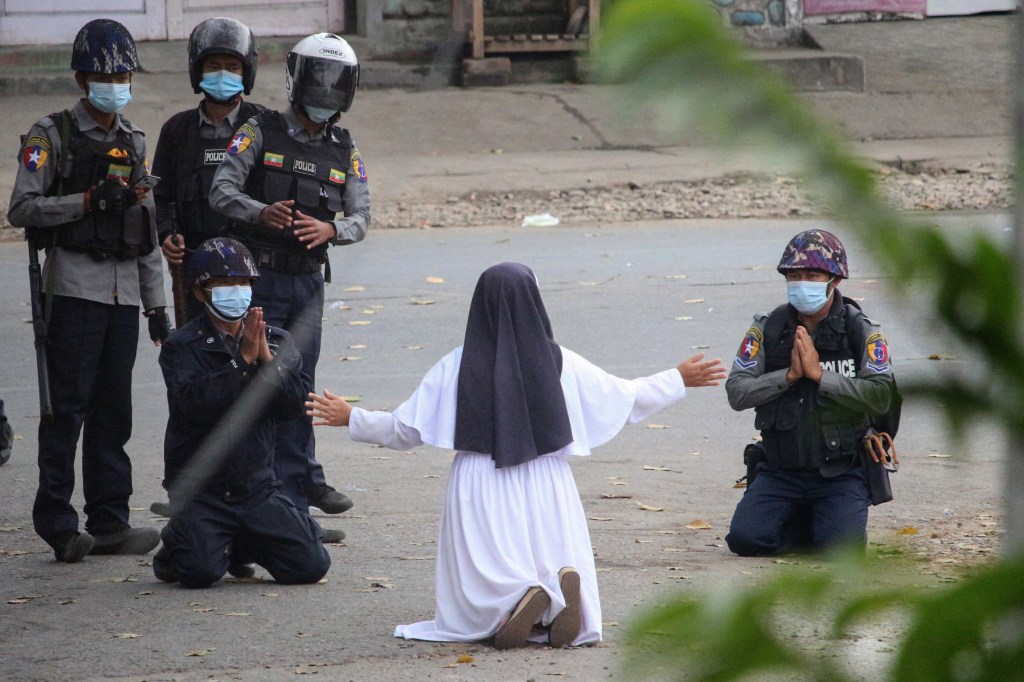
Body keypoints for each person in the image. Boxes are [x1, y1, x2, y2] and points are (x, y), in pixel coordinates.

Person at [305, 262, 727, 649]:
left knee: (485, 556)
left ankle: (510, 605)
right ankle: (552, 605)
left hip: (477, 478)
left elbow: (406, 430)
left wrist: (352, 417)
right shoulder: (562, 363)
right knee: (547, 544)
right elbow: (626, 398)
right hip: (547, 477)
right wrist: (676, 379)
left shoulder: (455, 365)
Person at [7, 18, 168, 563]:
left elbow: (145, 233)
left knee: (112, 415)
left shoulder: (134, 142)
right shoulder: (51, 134)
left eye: (123, 74)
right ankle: (57, 523)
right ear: (82, 78)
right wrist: (84, 203)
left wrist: (157, 306)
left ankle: (110, 522)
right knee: (65, 411)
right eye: (104, 74)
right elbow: (22, 208)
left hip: (123, 296)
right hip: (74, 288)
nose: (115, 83)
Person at [209, 32, 369, 526]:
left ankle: (295, 510)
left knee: (300, 391)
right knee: (252, 388)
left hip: (307, 286)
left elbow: (361, 217)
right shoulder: (258, 130)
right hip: (260, 284)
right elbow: (222, 190)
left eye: (335, 80)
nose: (325, 90)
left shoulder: (345, 147)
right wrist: (262, 214)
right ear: (297, 78)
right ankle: (247, 504)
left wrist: (331, 229)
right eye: (318, 77)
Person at [153, 237, 331, 588]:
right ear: (201, 292)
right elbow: (194, 406)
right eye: (223, 284)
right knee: (198, 573)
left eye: (242, 283)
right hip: (202, 489)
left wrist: (267, 361)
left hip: (257, 487)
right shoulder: (181, 346)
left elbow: (294, 406)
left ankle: (240, 543)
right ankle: (178, 541)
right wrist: (242, 362)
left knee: (310, 566)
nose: (235, 292)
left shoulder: (275, 339)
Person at [724, 229, 896, 556]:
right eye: (795, 275)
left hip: (841, 471)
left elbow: (881, 395)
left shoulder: (861, 331)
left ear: (834, 280)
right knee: (746, 540)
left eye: (812, 275)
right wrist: (787, 377)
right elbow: (737, 392)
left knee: (840, 551)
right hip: (780, 470)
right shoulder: (768, 328)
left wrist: (820, 376)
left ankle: (826, 525)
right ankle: (803, 522)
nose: (803, 282)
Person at [152, 16, 264, 325]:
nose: (223, 74)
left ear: (247, 72)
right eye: (213, 66)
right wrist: (167, 236)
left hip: (251, 268)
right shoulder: (176, 130)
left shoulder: (266, 125)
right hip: (195, 270)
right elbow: (161, 197)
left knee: (254, 356)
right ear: (197, 70)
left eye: (233, 67)